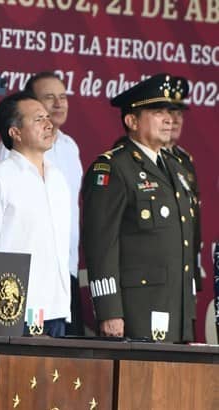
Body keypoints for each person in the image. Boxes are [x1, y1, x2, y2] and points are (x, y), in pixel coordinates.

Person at [82, 73, 196, 342]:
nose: (169, 119)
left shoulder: (175, 167)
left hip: (175, 308)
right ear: (131, 121)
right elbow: (100, 245)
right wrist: (109, 311)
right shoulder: (114, 167)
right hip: (136, 311)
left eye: (170, 112)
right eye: (157, 112)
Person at [0, 71, 84, 334]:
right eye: (38, 118)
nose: (48, 123)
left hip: (56, 306)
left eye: (46, 117)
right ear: (15, 132)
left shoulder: (57, 179)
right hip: (14, 308)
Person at [164, 77, 203, 292]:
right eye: (169, 113)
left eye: (179, 114)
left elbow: (193, 227)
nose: (175, 120)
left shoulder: (185, 161)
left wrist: (193, 278)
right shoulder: (134, 159)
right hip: (152, 279)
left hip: (184, 276)